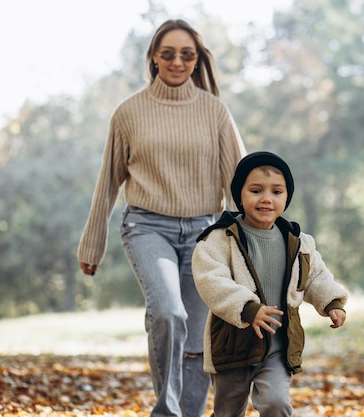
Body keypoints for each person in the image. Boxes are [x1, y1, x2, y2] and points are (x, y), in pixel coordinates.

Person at [77, 19, 246, 417]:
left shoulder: (215, 112)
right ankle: (166, 412)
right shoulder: (129, 112)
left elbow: (239, 182)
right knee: (169, 313)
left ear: (196, 59)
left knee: (198, 339)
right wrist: (92, 242)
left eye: (187, 55)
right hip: (147, 227)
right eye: (167, 53)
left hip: (205, 233)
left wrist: (249, 246)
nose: (177, 62)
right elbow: (108, 182)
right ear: (154, 57)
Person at [192, 151, 348, 417]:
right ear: (239, 195)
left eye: (277, 191)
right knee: (228, 411)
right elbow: (211, 280)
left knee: (276, 404)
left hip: (277, 347)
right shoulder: (221, 238)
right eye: (255, 190)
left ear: (286, 197)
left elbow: (315, 276)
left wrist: (331, 301)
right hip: (233, 345)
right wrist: (248, 308)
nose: (266, 198)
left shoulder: (297, 241)